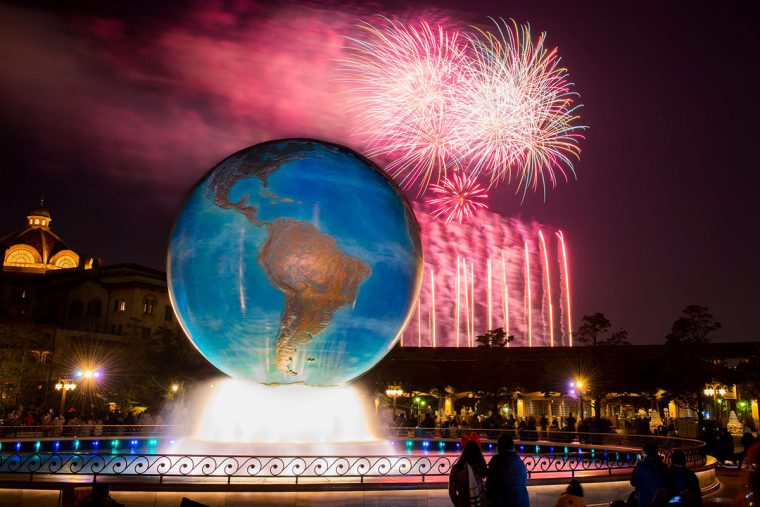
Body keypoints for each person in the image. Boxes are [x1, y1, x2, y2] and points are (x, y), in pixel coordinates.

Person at [486, 433, 530, 507]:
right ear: (512, 447)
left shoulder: (496, 461)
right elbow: (523, 482)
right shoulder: (519, 462)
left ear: (499, 447)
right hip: (523, 502)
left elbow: (490, 486)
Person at [449, 440, 487, 506]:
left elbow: (452, 491)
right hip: (480, 502)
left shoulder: (457, 469)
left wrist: (457, 503)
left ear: (464, 452)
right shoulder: (480, 466)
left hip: (463, 502)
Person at [630, 442, 669, 507]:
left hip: (646, 501)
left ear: (645, 452)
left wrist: (636, 467)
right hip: (660, 501)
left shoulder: (642, 466)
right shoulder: (663, 466)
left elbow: (634, 482)